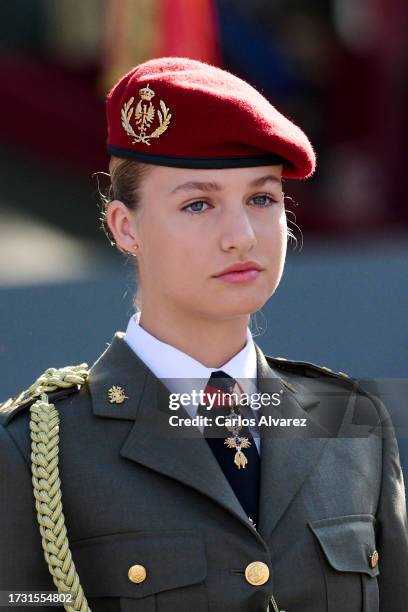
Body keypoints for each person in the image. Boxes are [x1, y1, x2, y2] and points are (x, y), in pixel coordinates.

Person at [0, 57, 407, 612]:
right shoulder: (36, 449)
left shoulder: (353, 426)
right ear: (126, 227)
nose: (241, 236)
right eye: (198, 204)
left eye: (261, 198)